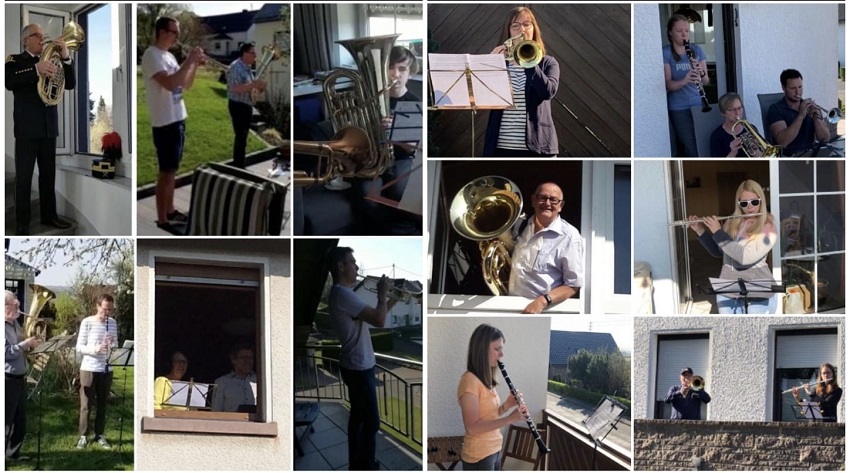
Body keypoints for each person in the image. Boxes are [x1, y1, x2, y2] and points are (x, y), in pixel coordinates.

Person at [327, 246, 396, 470]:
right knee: (372, 421)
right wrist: (382, 294)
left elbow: (377, 315)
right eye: (352, 262)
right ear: (340, 266)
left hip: (355, 365)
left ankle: (355, 463)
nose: (357, 266)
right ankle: (365, 465)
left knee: (357, 418)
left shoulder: (342, 294)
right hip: (358, 368)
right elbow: (379, 320)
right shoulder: (343, 293)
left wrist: (392, 299)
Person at [6, 23, 76, 235]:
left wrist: (65, 57)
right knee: (24, 179)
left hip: (48, 129)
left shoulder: (52, 59)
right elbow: (9, 81)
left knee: (48, 176)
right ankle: (22, 223)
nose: (42, 39)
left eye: (42, 35)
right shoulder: (15, 61)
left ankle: (49, 216)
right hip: (27, 131)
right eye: (37, 35)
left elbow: (70, 84)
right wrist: (37, 69)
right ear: (25, 39)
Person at [141, 16, 204, 233]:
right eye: (174, 32)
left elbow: (185, 84)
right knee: (166, 172)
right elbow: (168, 84)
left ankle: (170, 210)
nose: (177, 36)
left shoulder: (168, 56)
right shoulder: (152, 55)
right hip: (165, 122)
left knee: (173, 171)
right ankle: (161, 219)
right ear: (162, 32)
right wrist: (190, 60)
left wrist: (194, 64)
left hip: (178, 119)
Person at [354, 45, 422, 235]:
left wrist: (397, 132)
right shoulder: (371, 101)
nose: (395, 74)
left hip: (401, 159)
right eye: (390, 68)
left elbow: (413, 150)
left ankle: (406, 231)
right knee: (367, 195)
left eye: (402, 69)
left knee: (401, 192)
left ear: (410, 73)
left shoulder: (414, 103)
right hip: (373, 159)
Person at [688, 179, 779, 314]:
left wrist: (718, 232)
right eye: (744, 203)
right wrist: (700, 230)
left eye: (754, 202)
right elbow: (718, 251)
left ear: (761, 201)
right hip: (728, 288)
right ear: (739, 204)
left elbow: (745, 257)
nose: (750, 207)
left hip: (759, 290)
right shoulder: (731, 222)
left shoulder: (768, 226)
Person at [484, 6, 559, 157]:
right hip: (500, 146)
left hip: (537, 146)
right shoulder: (500, 62)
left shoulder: (548, 63)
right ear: (509, 32)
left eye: (526, 24)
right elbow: (485, 97)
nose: (522, 30)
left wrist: (530, 64)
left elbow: (548, 92)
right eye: (515, 26)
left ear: (533, 29)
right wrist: (490, 65)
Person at [457, 324, 527, 470]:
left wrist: (506, 405)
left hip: (494, 449)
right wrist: (510, 419)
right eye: (497, 349)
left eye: (502, 349)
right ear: (482, 350)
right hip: (479, 456)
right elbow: (472, 427)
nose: (501, 354)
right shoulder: (470, 381)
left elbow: (489, 416)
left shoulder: (487, 381)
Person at [508, 182, 585, 314]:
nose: (547, 203)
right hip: (507, 306)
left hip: (541, 311)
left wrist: (543, 301)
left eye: (553, 200)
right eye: (542, 198)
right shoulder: (519, 225)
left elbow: (573, 285)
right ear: (533, 200)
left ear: (561, 206)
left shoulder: (570, 236)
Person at [75, 293, 118, 450]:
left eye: (110, 310)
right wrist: (96, 349)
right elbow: (79, 347)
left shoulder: (112, 323)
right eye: (104, 310)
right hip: (89, 367)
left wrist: (112, 345)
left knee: (102, 404)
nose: (107, 313)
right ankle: (83, 436)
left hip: (106, 368)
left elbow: (116, 345)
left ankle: (100, 434)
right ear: (97, 306)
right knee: (86, 404)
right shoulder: (87, 322)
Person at [663, 14, 709, 157]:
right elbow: (668, 85)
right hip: (679, 107)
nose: (684, 34)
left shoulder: (697, 50)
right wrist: (685, 80)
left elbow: (706, 81)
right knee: (691, 146)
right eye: (679, 31)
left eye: (687, 31)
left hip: (698, 104)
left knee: (703, 143)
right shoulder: (666, 52)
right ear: (670, 32)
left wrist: (701, 73)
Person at [5, 290, 43, 461]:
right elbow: (6, 353)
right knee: (6, 421)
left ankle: (13, 454)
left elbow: (22, 347)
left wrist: (32, 343)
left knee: (19, 420)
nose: (19, 307)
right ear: (5, 306)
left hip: (20, 378)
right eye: (15, 304)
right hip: (7, 380)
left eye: (18, 304)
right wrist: (24, 344)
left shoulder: (15, 323)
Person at [767, 69, 831, 156]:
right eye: (793, 88)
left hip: (810, 154)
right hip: (788, 158)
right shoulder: (775, 109)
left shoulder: (809, 106)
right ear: (783, 87)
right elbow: (782, 142)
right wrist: (801, 116)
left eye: (800, 87)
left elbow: (825, 138)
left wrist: (817, 118)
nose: (798, 92)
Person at [226, 42, 266, 169]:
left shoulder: (247, 67)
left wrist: (259, 88)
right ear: (244, 53)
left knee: (243, 136)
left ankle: (240, 164)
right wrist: (253, 85)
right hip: (237, 105)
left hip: (245, 104)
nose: (255, 56)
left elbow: (250, 86)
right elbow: (235, 88)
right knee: (241, 136)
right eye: (253, 53)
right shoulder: (236, 67)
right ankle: (238, 166)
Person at [710, 92, 763, 157]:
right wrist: (733, 152)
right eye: (733, 110)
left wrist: (756, 149)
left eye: (739, 108)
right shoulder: (717, 136)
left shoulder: (751, 128)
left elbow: (761, 158)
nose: (738, 112)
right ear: (723, 113)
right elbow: (717, 166)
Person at [212, 345, 257, 412]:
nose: (248, 361)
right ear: (233, 360)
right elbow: (216, 411)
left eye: (250, 358)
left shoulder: (260, 381)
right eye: (244, 357)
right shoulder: (222, 382)